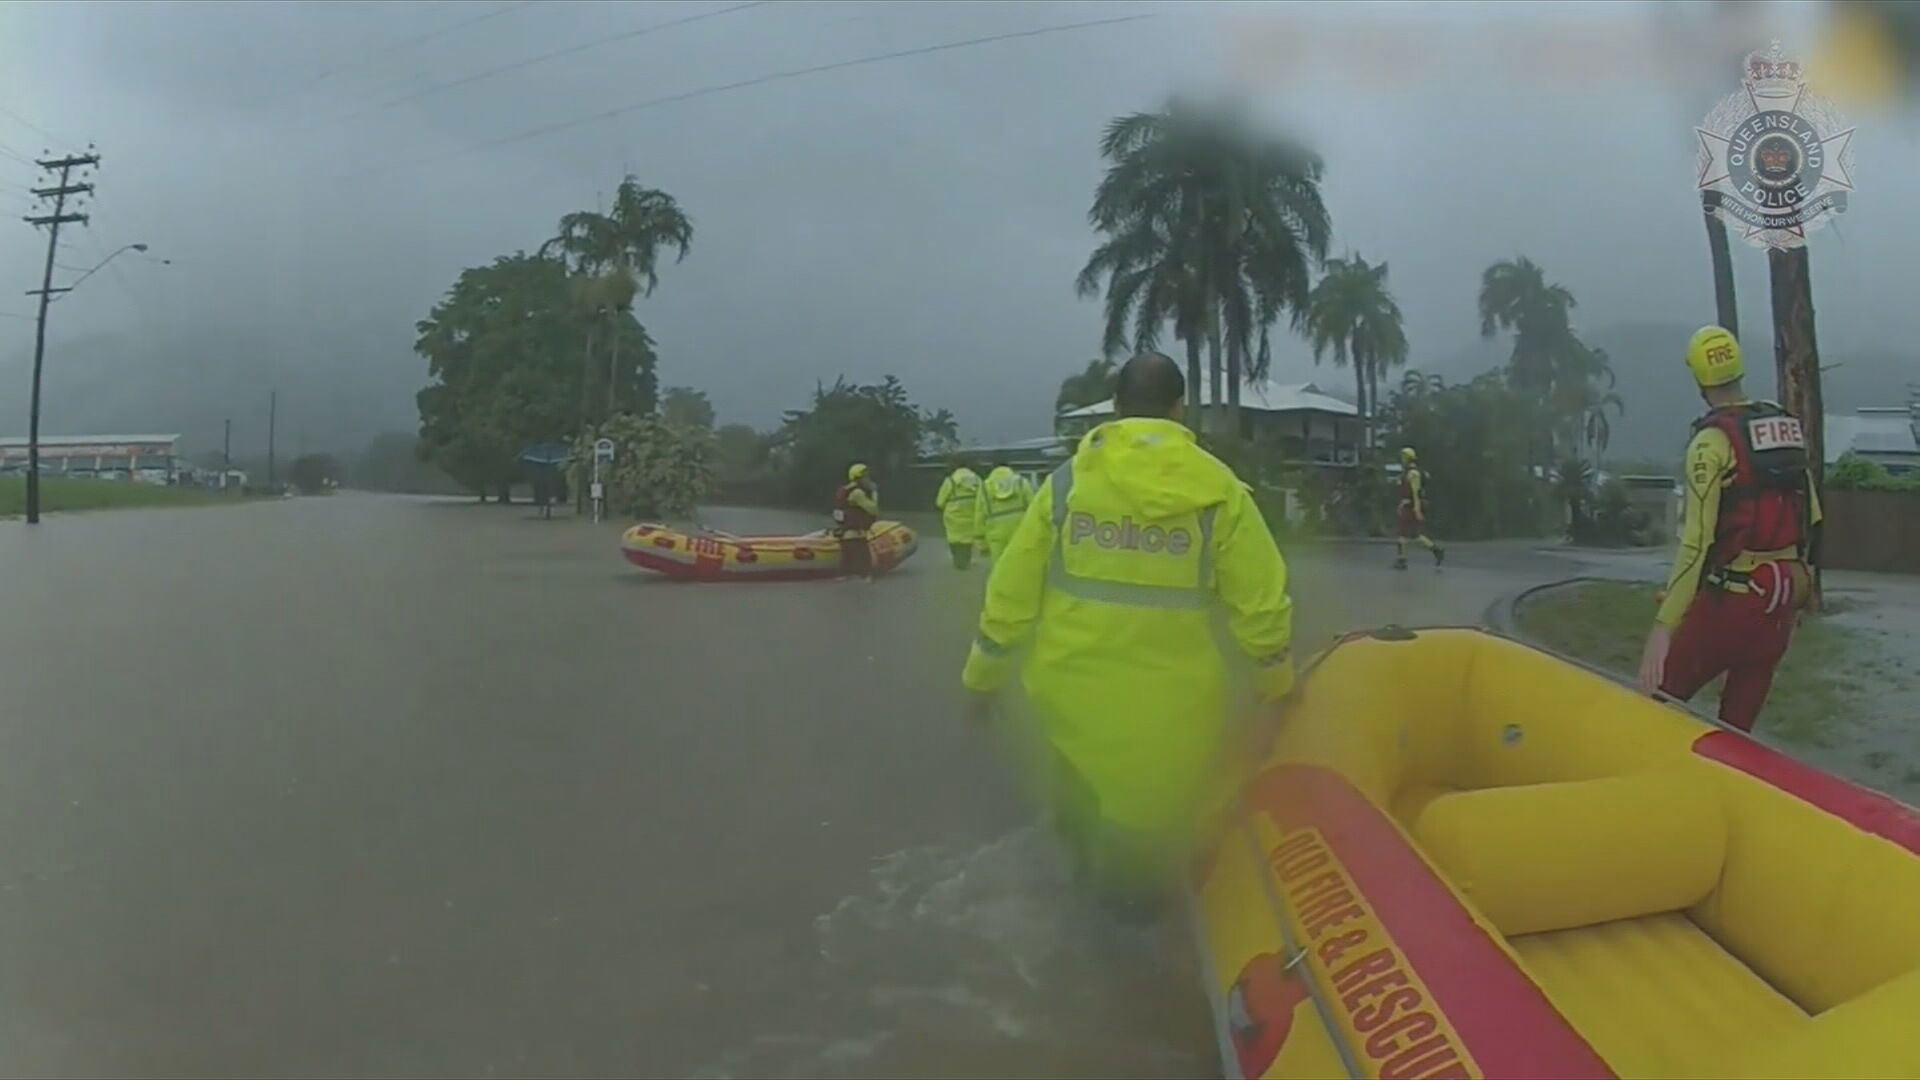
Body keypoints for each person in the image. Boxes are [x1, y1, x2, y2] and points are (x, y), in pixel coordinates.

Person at [960, 351, 1295, 919]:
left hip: (1069, 700)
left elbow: (1011, 592)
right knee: (1139, 883)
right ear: (1179, 409)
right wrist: (1276, 685)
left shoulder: (1067, 486)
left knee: (1079, 838)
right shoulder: (1221, 492)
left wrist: (981, 678)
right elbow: (1260, 603)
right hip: (1171, 717)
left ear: (1115, 409)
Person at [1637, 326, 1823, 733]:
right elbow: (1811, 515)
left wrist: (1664, 626)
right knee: (1737, 733)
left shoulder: (1710, 442)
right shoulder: (1785, 426)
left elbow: (1696, 542)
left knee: (1658, 701)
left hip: (1733, 602)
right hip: (1781, 604)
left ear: (1699, 379)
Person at [1393, 446, 1445, 570]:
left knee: (1403, 533)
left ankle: (1402, 560)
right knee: (1414, 534)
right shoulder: (1407, 472)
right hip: (1408, 505)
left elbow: (1416, 492)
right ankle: (1436, 550)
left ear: (1408, 458)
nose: (1402, 459)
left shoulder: (1413, 473)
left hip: (1411, 506)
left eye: (1403, 457)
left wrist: (1417, 509)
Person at [974, 464, 1033, 562]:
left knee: (1000, 566)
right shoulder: (1021, 482)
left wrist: (981, 541)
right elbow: (1033, 507)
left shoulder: (984, 487)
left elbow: (979, 514)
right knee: (1022, 564)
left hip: (996, 535)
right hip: (1021, 530)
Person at [833, 463, 880, 581]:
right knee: (866, 573)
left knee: (844, 573)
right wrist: (874, 492)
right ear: (858, 478)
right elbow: (873, 510)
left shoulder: (846, 490)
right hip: (856, 537)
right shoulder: (857, 493)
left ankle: (845, 573)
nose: (868, 479)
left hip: (846, 535)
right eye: (865, 476)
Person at [935, 462, 982, 569]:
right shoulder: (977, 481)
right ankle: (966, 560)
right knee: (968, 539)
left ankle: (959, 560)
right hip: (971, 515)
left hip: (953, 517)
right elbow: (982, 498)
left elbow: (940, 502)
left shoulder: (950, 481)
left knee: (954, 539)